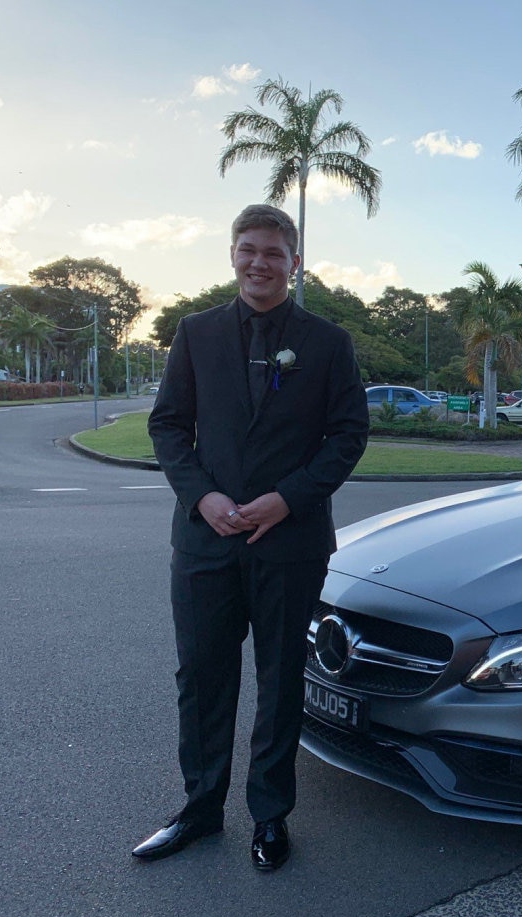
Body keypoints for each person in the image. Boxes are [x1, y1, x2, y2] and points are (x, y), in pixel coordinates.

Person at [135, 204, 369, 871]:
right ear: (231, 254)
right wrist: (202, 496)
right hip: (205, 539)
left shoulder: (327, 342)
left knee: (279, 679)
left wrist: (286, 499)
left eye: (273, 252)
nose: (259, 262)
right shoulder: (197, 332)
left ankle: (270, 814)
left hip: (290, 543)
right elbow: (169, 426)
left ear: (294, 262)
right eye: (248, 249)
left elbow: (348, 435)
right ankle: (200, 808)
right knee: (202, 677)